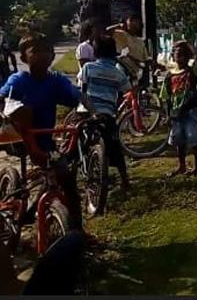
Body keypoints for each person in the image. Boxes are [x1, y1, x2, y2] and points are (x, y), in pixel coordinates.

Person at [0, 33, 85, 230]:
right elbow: (4, 98)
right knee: (24, 111)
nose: (43, 55)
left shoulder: (56, 80)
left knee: (67, 182)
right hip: (20, 139)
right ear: (23, 58)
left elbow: (76, 97)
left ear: (53, 56)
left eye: (47, 50)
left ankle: (77, 232)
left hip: (44, 140)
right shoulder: (19, 79)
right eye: (35, 51)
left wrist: (92, 110)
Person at [76, 35, 132, 192]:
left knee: (78, 141)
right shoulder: (118, 73)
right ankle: (125, 180)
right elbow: (126, 91)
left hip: (86, 112)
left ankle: (80, 168)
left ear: (95, 52)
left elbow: (82, 88)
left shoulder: (88, 68)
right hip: (107, 114)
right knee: (114, 147)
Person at [161, 40, 197, 177]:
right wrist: (167, 115)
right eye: (177, 54)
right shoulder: (169, 75)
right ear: (173, 56)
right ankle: (182, 166)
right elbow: (166, 96)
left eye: (183, 54)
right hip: (175, 112)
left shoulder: (192, 72)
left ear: (188, 56)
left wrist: (191, 47)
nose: (180, 57)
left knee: (194, 137)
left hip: (191, 110)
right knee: (179, 139)